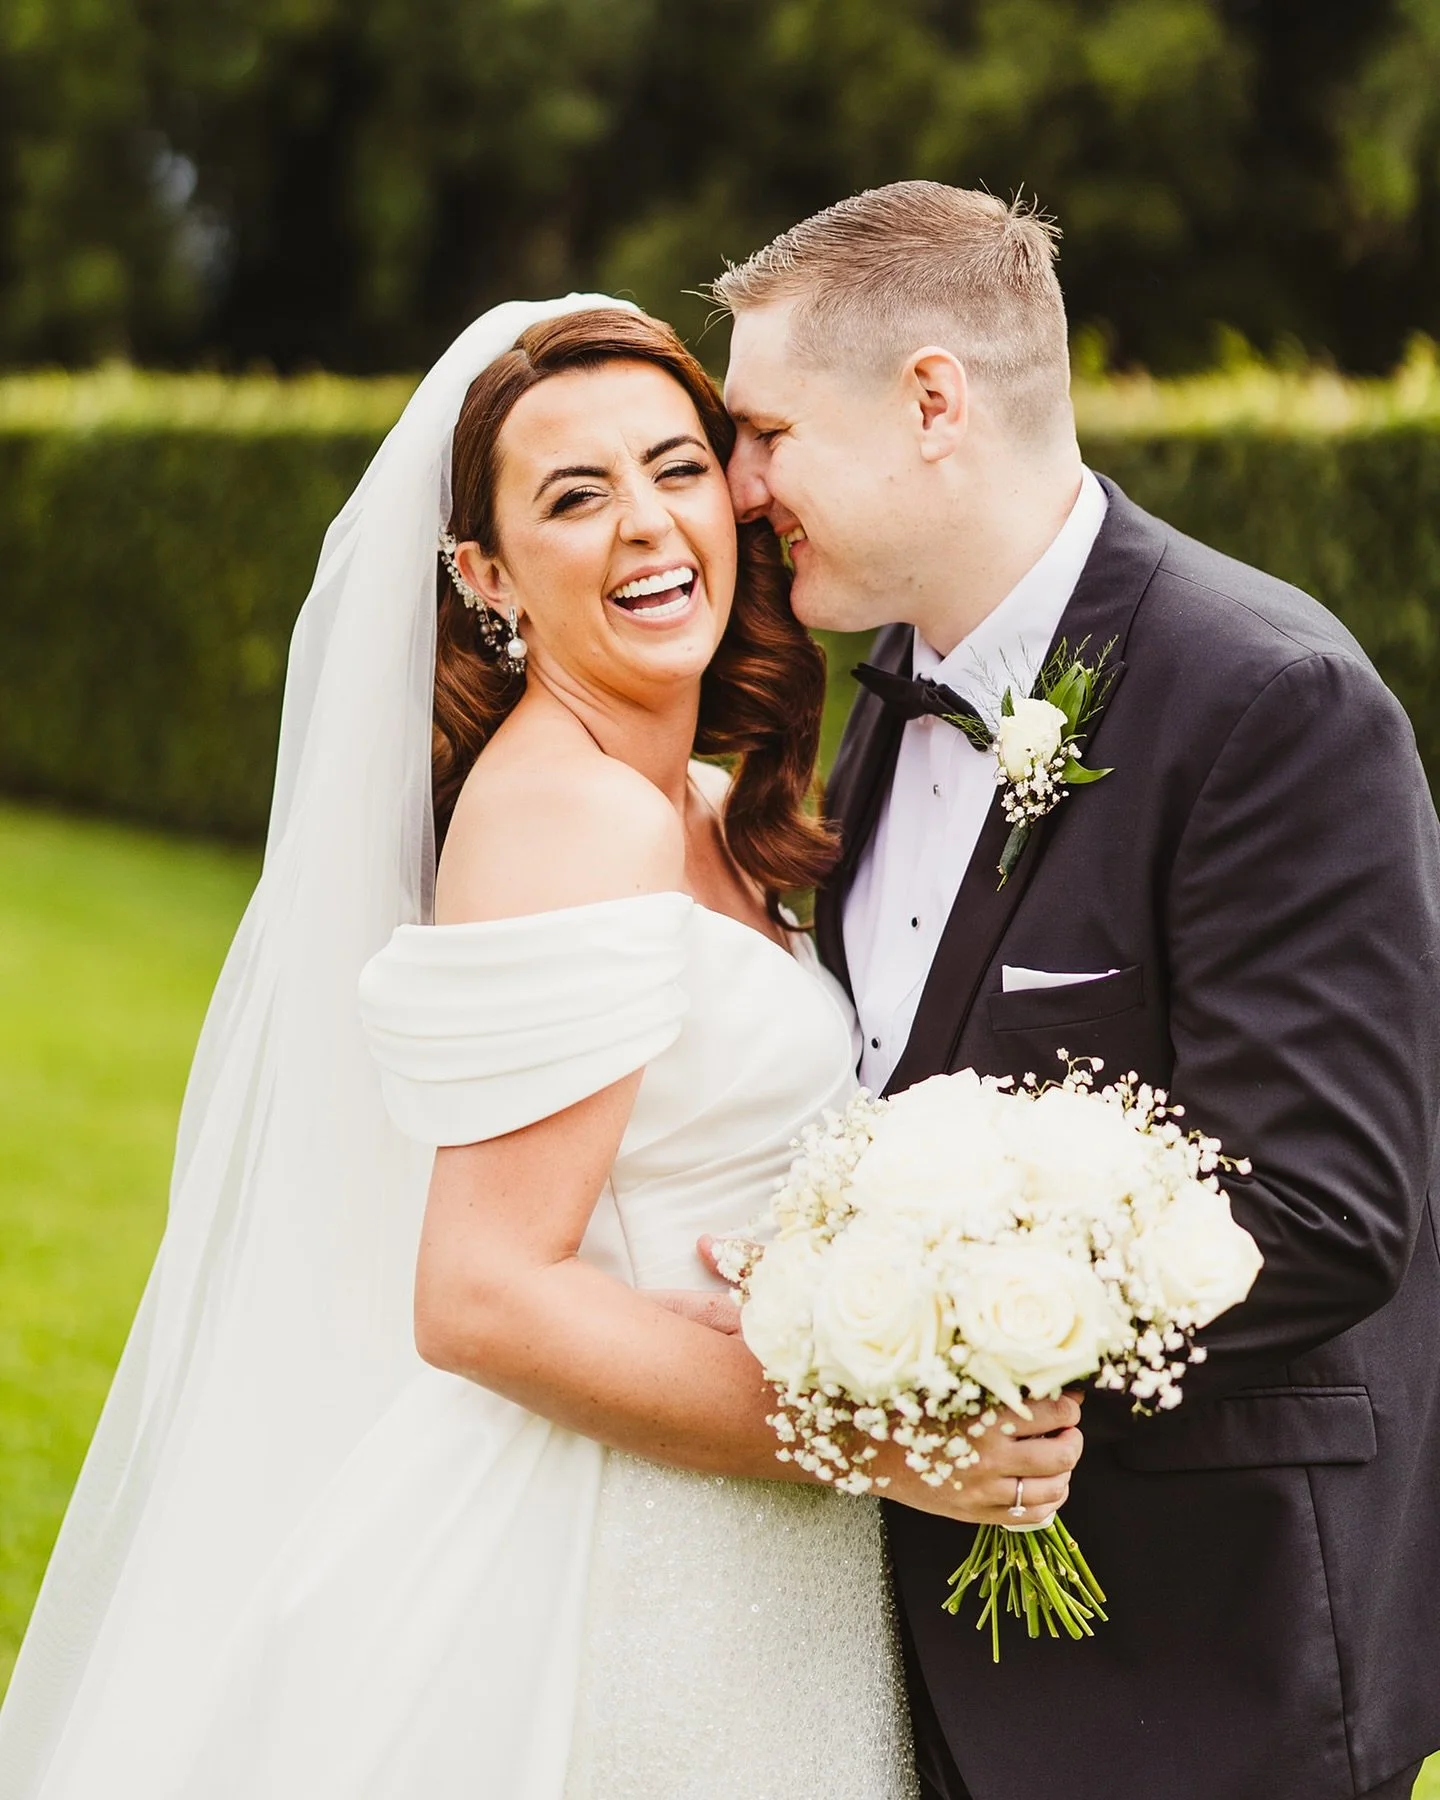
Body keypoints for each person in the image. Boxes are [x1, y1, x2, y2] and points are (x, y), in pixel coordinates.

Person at [0, 297, 1080, 1799]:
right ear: (484, 574)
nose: (647, 526)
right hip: (612, 1561)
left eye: (676, 467)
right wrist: (875, 1441)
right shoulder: (563, 814)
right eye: (575, 498)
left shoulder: (701, 812)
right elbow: (484, 1294)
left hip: (741, 1543)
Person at [709, 180, 1440, 1800]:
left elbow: (1325, 1205)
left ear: (929, 402)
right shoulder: (888, 697)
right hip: (916, 1650)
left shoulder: (1273, 698)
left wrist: (933, 1366)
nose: (741, 487)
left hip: (1203, 1659)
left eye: (765, 431)